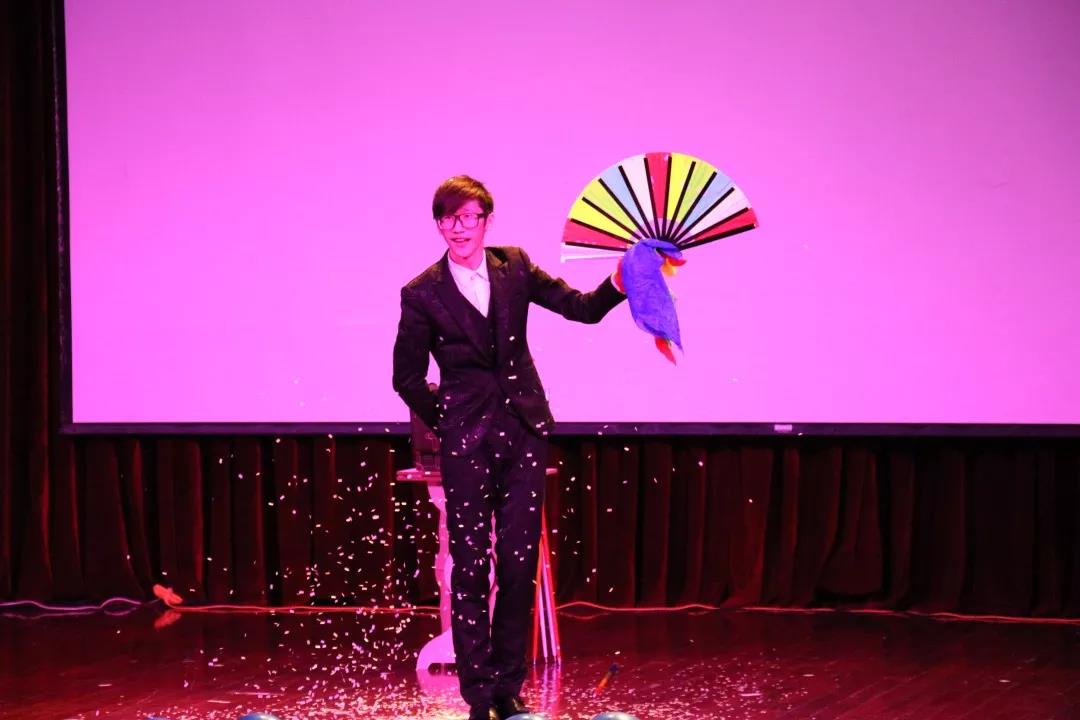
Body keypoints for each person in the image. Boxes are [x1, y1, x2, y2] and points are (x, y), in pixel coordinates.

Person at [392, 176, 625, 720]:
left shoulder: (514, 266)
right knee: (471, 566)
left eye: (469, 217)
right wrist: (449, 418)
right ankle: (479, 694)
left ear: (486, 221)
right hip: (467, 443)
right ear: (438, 224)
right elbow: (406, 377)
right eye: (449, 218)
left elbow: (582, 308)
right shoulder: (421, 292)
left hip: (523, 432)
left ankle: (507, 685)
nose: (459, 228)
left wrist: (620, 279)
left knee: (519, 566)